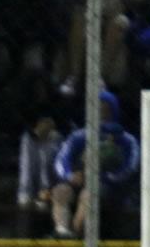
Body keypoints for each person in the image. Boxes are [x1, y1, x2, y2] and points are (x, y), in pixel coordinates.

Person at [50, 89, 139, 238]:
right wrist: (70, 176)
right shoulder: (80, 135)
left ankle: (75, 235)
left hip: (111, 186)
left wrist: (103, 177)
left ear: (113, 110)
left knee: (88, 194)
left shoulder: (125, 139)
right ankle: (62, 231)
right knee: (60, 191)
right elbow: (61, 160)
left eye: (106, 108)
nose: (101, 112)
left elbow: (131, 167)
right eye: (98, 108)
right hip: (80, 180)